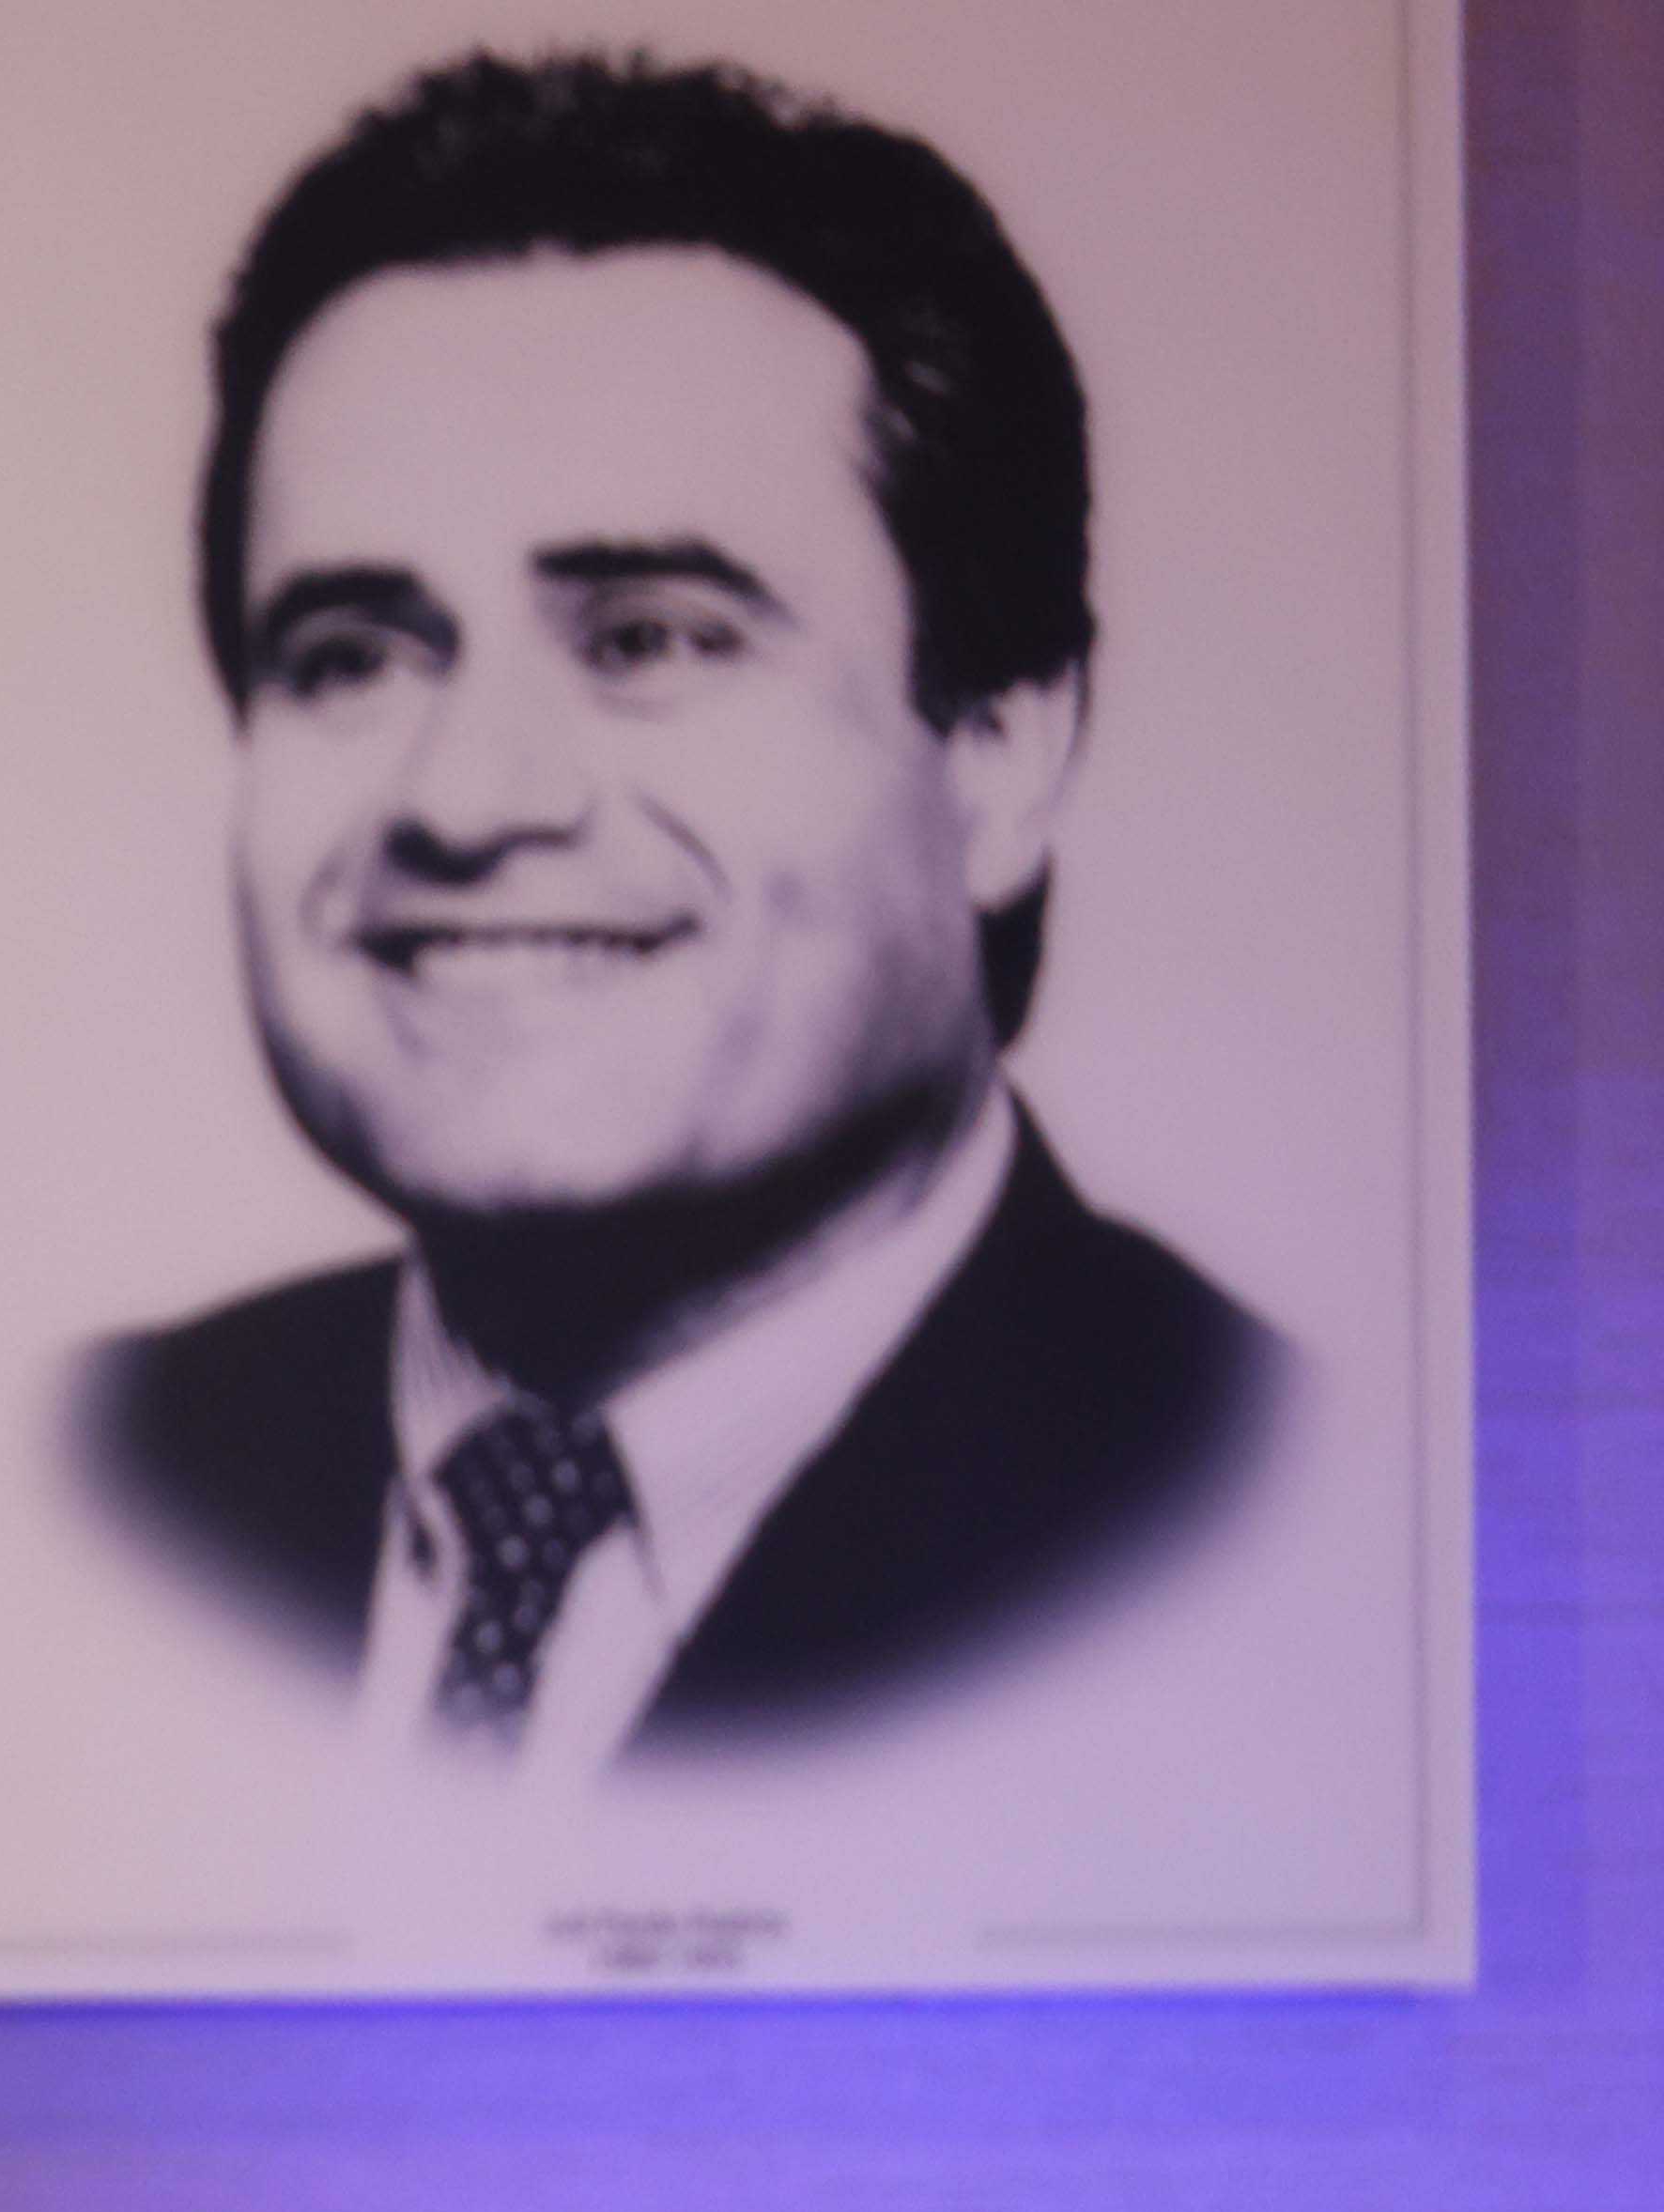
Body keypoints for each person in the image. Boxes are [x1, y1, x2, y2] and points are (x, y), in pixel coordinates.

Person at [83, 53, 1275, 1779]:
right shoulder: (116, 1478)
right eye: (352, 658)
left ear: (1000, 755)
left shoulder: (1239, 1509)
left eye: (649, 637)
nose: (466, 796)